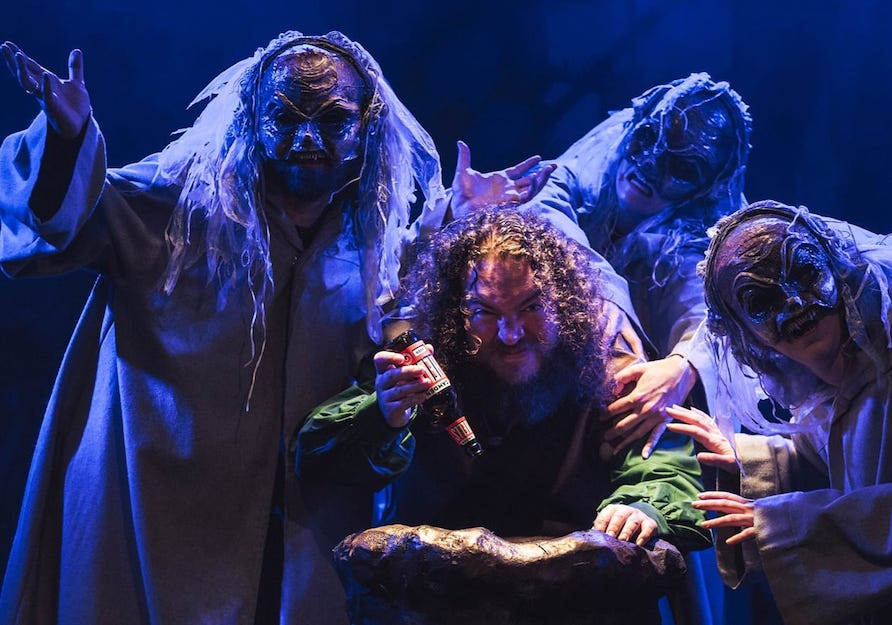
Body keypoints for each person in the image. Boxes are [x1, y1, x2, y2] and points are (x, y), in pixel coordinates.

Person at [0, 31, 549, 625]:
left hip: (296, 535)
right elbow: (64, 222)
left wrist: (457, 217)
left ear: (365, 129)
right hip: (160, 519)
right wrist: (68, 140)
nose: (307, 139)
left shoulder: (362, 243)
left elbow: (399, 292)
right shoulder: (180, 211)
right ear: (251, 121)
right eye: (285, 118)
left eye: (332, 119)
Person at [667, 200, 892, 625]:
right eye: (760, 300)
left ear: (837, 265)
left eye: (804, 272)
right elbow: (867, 457)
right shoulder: (862, 354)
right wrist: (750, 462)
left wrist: (785, 524)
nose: (793, 301)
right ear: (746, 335)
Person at [300, 207, 711, 552]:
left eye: (531, 308)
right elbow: (317, 456)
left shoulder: (609, 365)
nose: (511, 334)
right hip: (439, 589)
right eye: (486, 312)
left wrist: (641, 508)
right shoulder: (421, 362)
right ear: (455, 312)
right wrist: (382, 417)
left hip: (577, 590)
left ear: (564, 303)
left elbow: (665, 471)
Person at [516, 72, 754, 456]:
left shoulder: (685, 250)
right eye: (646, 138)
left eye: (682, 167)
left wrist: (684, 365)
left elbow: (706, 316)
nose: (650, 165)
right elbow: (543, 213)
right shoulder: (579, 181)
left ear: (704, 188)